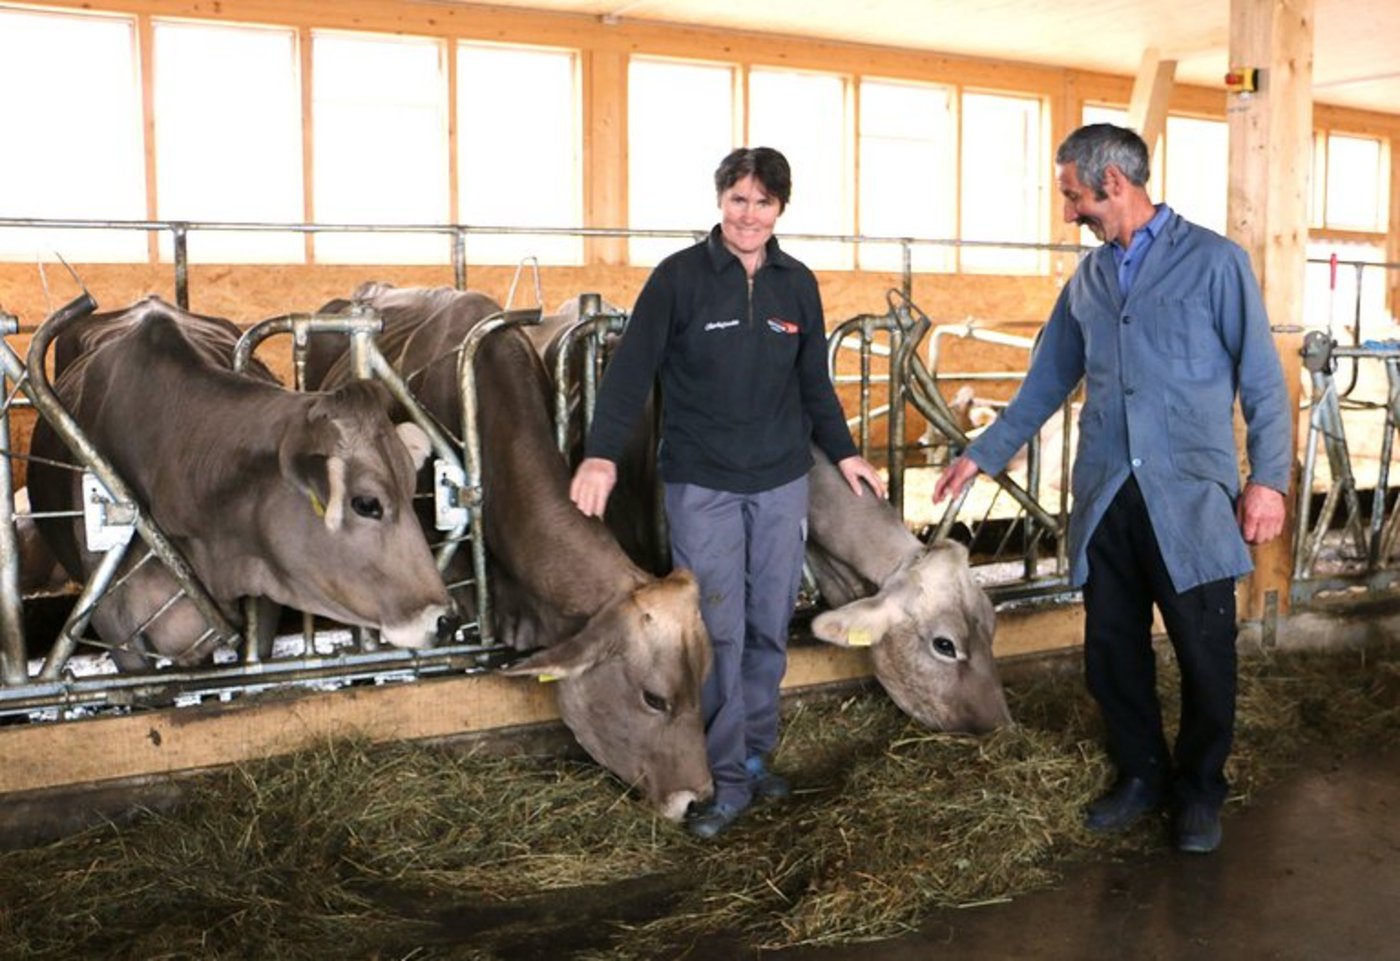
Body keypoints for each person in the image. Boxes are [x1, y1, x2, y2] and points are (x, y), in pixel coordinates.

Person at [933, 123, 1292, 854]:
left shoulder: (1217, 264)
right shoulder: (1090, 280)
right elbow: (1044, 383)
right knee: (1112, 651)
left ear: (1115, 184)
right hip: (1107, 494)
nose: (1069, 212)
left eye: (1074, 196)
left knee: (1204, 651)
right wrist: (981, 454)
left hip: (1190, 496)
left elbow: (1262, 382)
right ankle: (1139, 774)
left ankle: (1198, 789)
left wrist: (1271, 482)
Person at [570, 146, 885, 840]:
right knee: (717, 628)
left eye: (763, 202)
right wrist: (599, 456)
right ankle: (723, 777)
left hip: (778, 479)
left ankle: (753, 752)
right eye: (738, 199)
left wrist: (847, 453)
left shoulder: (796, 285)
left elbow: (814, 385)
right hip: (703, 479)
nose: (749, 214)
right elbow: (630, 375)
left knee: (769, 621)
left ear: (780, 209)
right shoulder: (679, 279)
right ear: (720, 202)